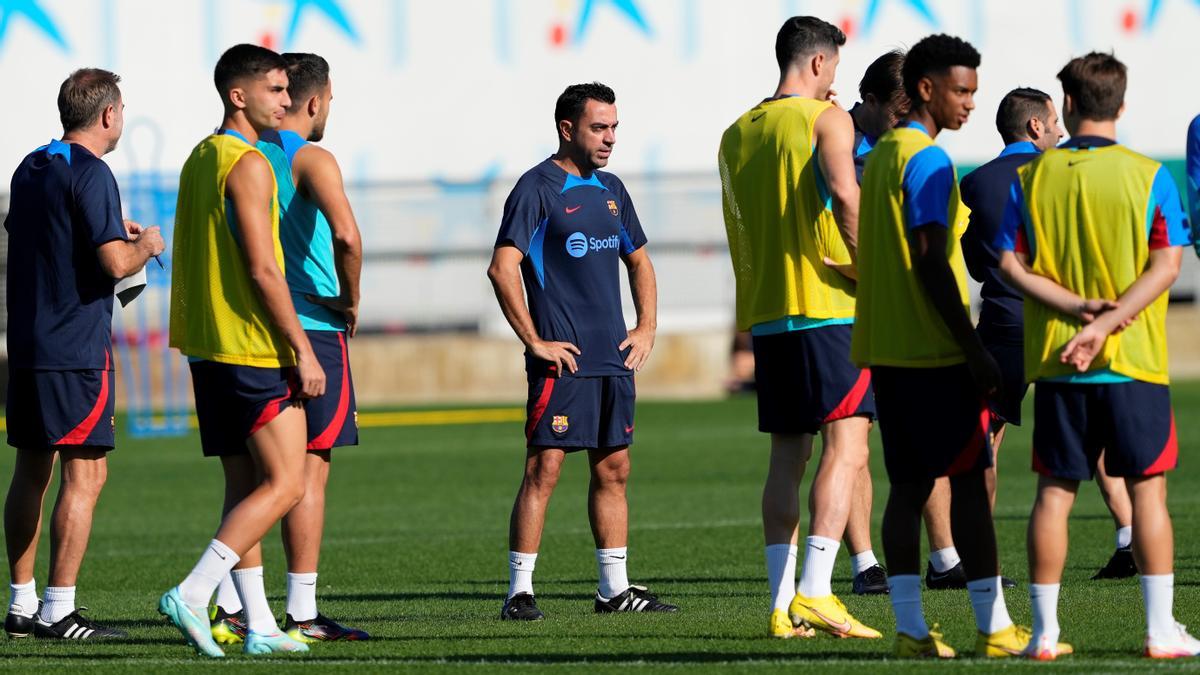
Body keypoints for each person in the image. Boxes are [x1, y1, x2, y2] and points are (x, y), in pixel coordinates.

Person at [853, 33, 1056, 659]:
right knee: (970, 480)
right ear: (925, 89)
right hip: (932, 351)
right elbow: (932, 264)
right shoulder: (930, 162)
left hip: (885, 346)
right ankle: (993, 625)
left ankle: (912, 630)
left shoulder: (885, 151)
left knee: (909, 486)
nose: (971, 103)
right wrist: (972, 348)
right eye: (962, 90)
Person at [997, 51, 1198, 660]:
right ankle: (1160, 631)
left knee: (1053, 496)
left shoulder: (1033, 178)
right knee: (1147, 495)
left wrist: (1077, 310)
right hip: (1133, 358)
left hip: (1061, 359)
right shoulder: (1148, 175)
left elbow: (1010, 263)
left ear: (1073, 106)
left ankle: (1043, 634)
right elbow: (1167, 265)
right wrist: (1109, 319)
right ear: (1122, 105)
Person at [160, 43, 324, 658]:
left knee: (245, 485)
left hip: (207, 348)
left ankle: (258, 625)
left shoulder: (200, 156)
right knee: (286, 483)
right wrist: (302, 351)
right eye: (277, 90)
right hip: (250, 346)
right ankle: (196, 591)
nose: (287, 100)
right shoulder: (249, 163)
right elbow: (262, 269)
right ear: (239, 96)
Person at [719, 16, 880, 640]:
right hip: (828, 306)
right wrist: (874, 274)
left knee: (787, 457)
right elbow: (846, 196)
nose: (835, 80)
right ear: (817, 63)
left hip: (768, 312)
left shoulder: (736, 132)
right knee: (850, 446)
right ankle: (818, 590)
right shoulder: (826, 120)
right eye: (834, 67)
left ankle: (782, 607)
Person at [487, 82, 673, 621]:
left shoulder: (612, 188)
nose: (610, 138)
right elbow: (502, 268)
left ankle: (614, 591)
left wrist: (647, 327)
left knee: (614, 469)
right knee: (544, 468)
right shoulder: (536, 188)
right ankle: (519, 592)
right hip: (561, 362)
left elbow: (639, 261)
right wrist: (534, 341)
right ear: (567, 129)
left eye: (614, 127)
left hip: (613, 360)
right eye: (599, 127)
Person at [206, 52, 367, 645]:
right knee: (305, 474)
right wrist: (351, 300)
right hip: (312, 329)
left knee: (247, 478)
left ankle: (233, 606)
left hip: (245, 330)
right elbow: (347, 236)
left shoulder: (240, 153)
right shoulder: (310, 156)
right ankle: (300, 610)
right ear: (316, 100)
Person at [3, 68, 164, 641]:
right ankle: (58, 609)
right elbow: (117, 266)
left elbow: (25, 226)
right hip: (74, 347)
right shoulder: (94, 172)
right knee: (87, 473)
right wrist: (146, 243)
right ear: (108, 115)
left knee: (30, 470)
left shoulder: (33, 164)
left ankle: (21, 606)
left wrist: (99, 229)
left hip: (26, 343)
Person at [841, 49, 909, 597]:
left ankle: (947, 557)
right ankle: (865, 563)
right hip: (847, 308)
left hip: (902, 308)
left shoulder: (908, 148)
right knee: (853, 440)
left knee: (920, 438)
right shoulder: (833, 138)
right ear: (869, 101)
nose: (903, 124)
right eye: (897, 112)